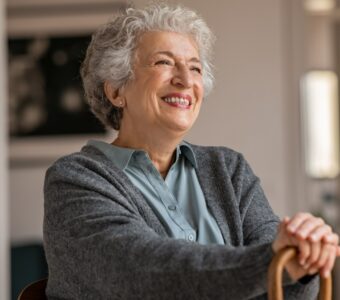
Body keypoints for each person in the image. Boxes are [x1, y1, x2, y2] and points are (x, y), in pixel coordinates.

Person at [43, 4, 340, 299]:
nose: (186, 80)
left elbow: (286, 289)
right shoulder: (74, 179)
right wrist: (272, 262)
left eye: (195, 67)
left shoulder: (228, 168)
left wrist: (304, 255)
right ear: (116, 91)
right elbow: (141, 273)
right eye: (163, 63)